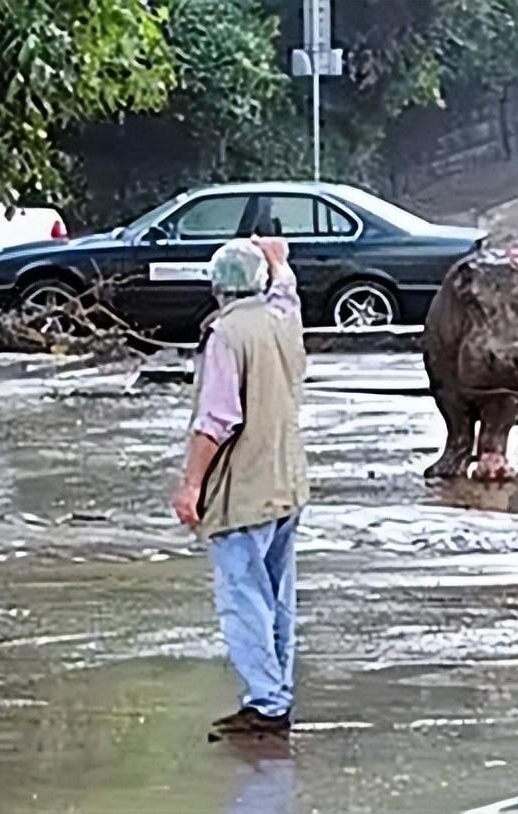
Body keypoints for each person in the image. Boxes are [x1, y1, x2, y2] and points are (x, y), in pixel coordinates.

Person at [171, 236, 309, 742]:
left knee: (243, 598)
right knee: (277, 597)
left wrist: (190, 485)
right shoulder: (282, 320)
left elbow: (217, 421)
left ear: (215, 287)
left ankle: (268, 704)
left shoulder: (226, 335)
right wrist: (279, 263)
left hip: (244, 491)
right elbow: (286, 294)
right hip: (287, 482)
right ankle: (275, 692)